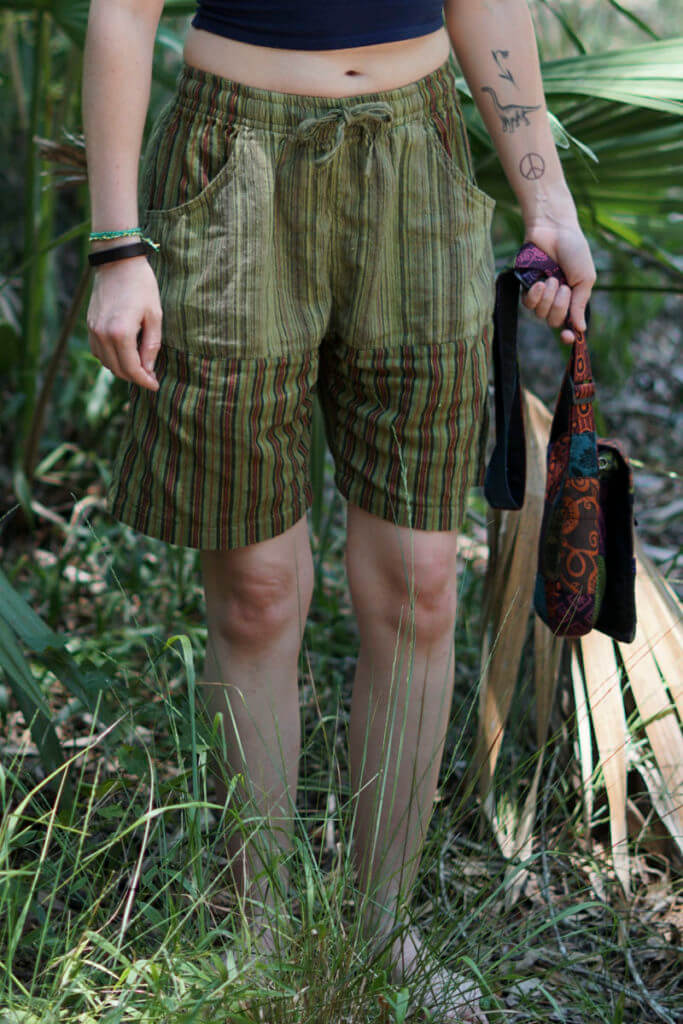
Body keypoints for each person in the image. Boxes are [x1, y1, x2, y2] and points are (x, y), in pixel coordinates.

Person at [83, 2, 595, 1020]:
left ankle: (379, 935)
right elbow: (122, 13)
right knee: (257, 593)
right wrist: (116, 245)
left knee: (418, 585)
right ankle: (263, 937)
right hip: (233, 163)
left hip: (417, 151)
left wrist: (548, 200)